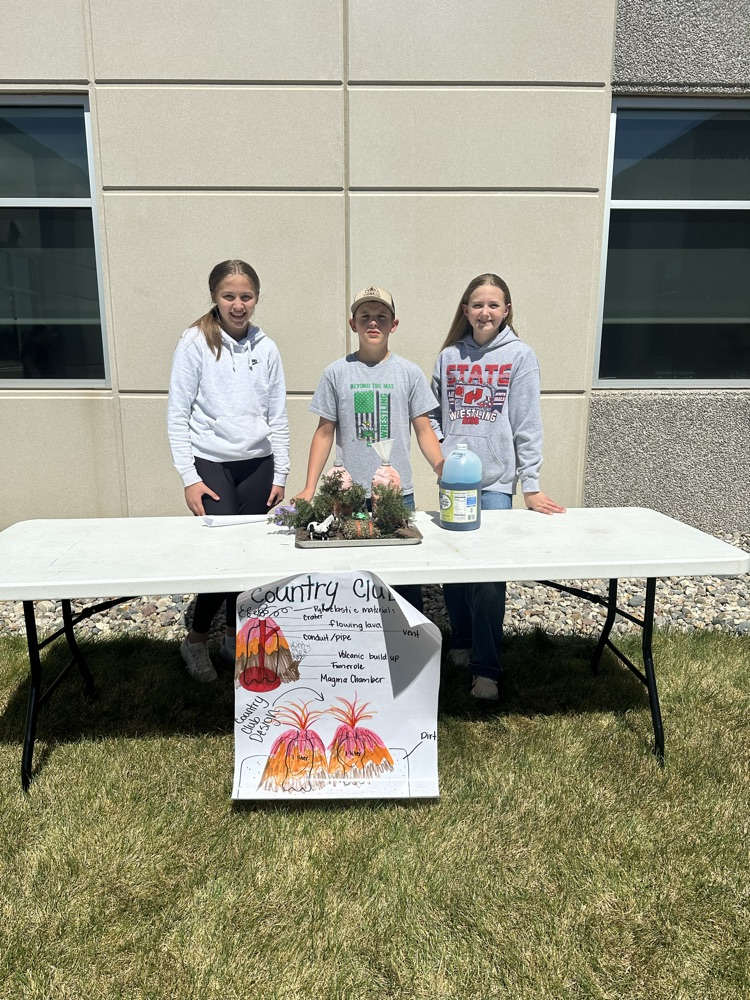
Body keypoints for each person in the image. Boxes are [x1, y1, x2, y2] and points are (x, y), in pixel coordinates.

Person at [431, 273, 565, 701]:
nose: (485, 312)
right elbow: (431, 413)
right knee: (454, 569)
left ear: (506, 310)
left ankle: (486, 667)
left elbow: (527, 423)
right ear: (465, 310)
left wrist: (532, 484)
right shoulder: (449, 356)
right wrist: (441, 455)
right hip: (454, 479)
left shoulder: (519, 356)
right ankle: (462, 641)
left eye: (494, 304)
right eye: (477, 304)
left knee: (488, 577)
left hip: (495, 484)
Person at [168, 259, 290, 682]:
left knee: (253, 555)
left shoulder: (267, 348)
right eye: (229, 296)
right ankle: (196, 640)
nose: (238, 305)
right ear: (214, 297)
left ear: (256, 298)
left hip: (258, 464)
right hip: (212, 462)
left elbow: (278, 415)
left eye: (246, 296)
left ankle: (233, 637)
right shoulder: (194, 342)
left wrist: (280, 473)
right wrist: (189, 476)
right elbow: (177, 414)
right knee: (223, 558)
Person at [295, 285, 444, 612]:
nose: (373, 323)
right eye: (365, 317)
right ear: (353, 324)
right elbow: (324, 433)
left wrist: (441, 466)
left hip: (395, 492)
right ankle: (354, 649)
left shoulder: (409, 373)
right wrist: (309, 487)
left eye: (381, 317)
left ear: (394, 324)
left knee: (403, 576)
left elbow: (424, 429)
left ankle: (408, 646)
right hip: (346, 495)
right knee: (349, 572)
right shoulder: (337, 372)